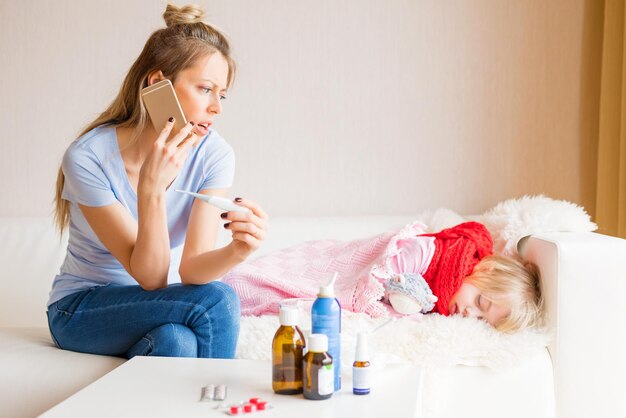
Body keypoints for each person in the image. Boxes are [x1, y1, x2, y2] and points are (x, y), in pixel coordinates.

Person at [47, 3, 268, 359]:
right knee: (219, 299)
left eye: (221, 95)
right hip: (80, 309)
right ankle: (220, 409)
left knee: (176, 341)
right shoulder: (87, 157)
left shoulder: (214, 155)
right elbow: (151, 279)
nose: (217, 108)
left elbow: (192, 268)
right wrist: (151, 189)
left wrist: (237, 251)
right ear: (157, 83)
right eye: (205, 89)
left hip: (153, 306)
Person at [223, 221, 543, 333]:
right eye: (481, 302)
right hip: (339, 266)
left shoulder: (442, 304)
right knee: (260, 283)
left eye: (482, 320)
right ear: (482, 270)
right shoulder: (431, 253)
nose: (470, 313)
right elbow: (378, 280)